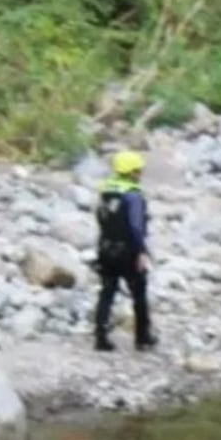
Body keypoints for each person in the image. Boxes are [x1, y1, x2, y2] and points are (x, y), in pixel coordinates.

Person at [94, 150, 157, 352]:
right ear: (132, 172)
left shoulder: (106, 191)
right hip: (128, 251)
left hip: (105, 248)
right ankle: (143, 337)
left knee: (107, 293)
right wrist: (141, 252)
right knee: (139, 294)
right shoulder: (133, 196)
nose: (141, 173)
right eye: (139, 170)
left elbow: (100, 218)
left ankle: (100, 336)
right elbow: (136, 227)